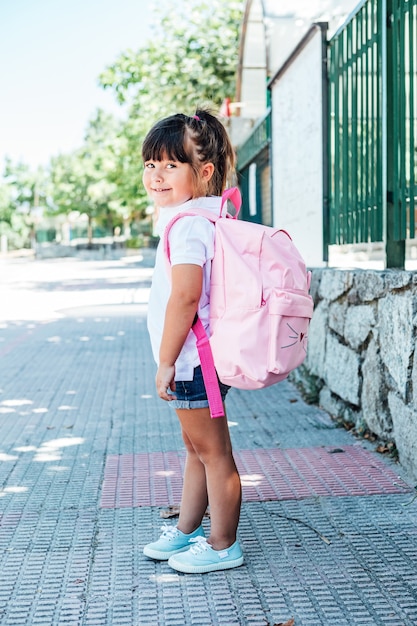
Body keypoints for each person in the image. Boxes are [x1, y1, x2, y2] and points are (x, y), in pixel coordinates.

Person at [142, 110, 243, 574]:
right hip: (193, 362)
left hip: (190, 363)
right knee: (197, 450)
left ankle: (223, 546)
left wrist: (165, 362)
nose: (156, 175)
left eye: (170, 165)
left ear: (203, 172)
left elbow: (184, 298)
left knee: (214, 454)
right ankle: (187, 532)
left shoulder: (187, 226)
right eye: (150, 165)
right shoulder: (188, 220)